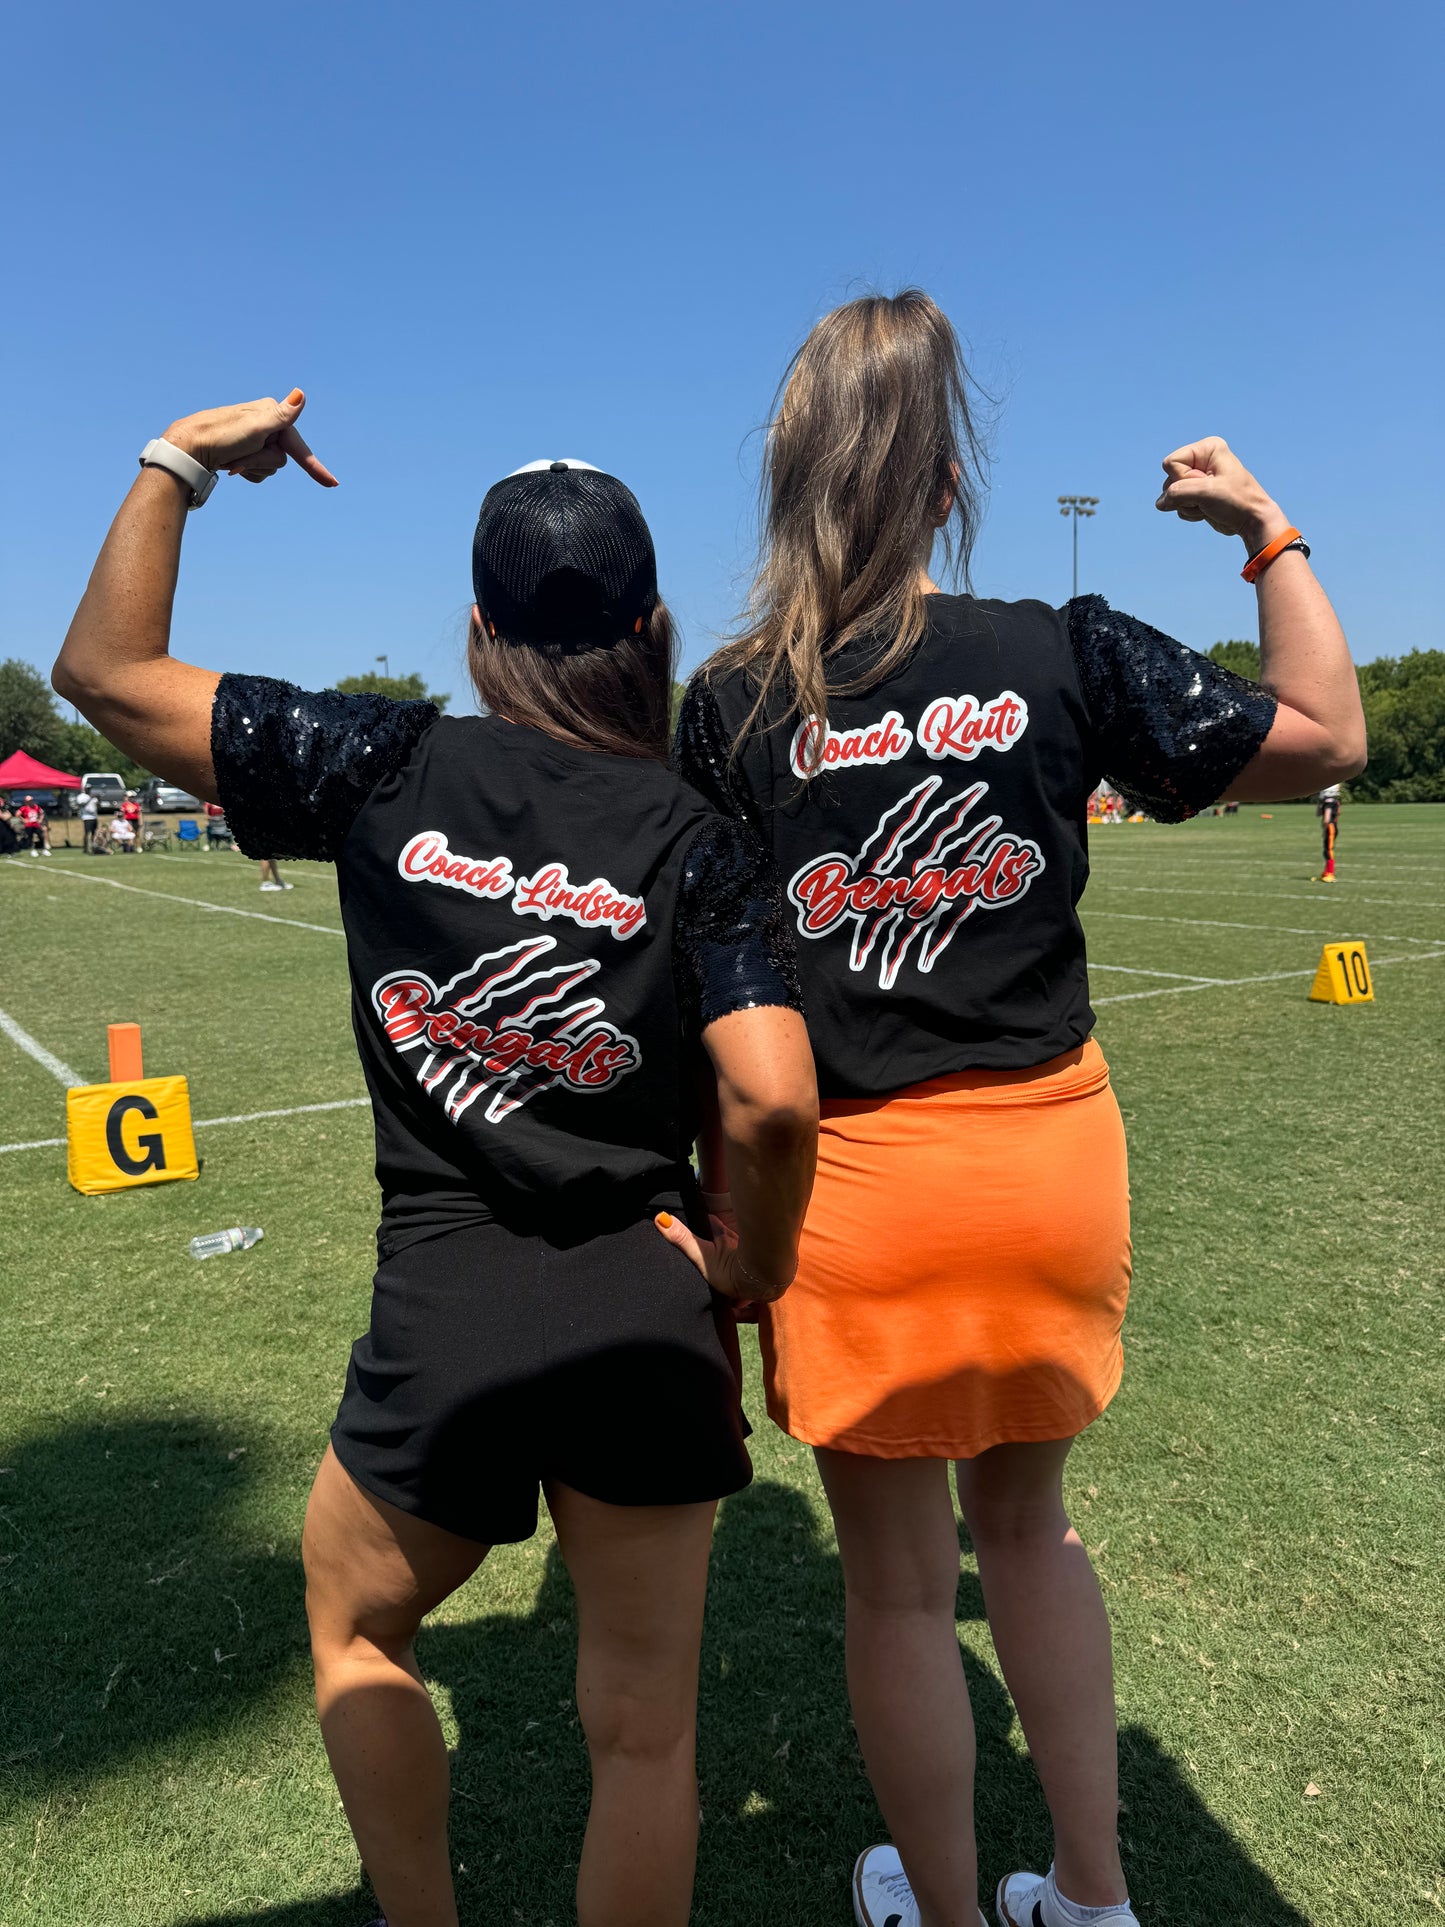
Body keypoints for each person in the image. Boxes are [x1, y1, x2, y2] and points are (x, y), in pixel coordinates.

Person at [52, 390, 818, 1927]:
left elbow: (102, 675)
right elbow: (774, 1097)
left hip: (441, 1307)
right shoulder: (694, 826)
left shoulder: (380, 764)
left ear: (475, 626)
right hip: (646, 1305)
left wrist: (180, 464)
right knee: (648, 1729)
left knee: (359, 1631)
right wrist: (754, 1262)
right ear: (652, 621)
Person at [676, 291, 1366, 1927]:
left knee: (906, 1591)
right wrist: (1272, 533)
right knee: (1033, 1534)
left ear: (791, 476)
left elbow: (710, 1009)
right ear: (946, 480)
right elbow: (1331, 734)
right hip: (1053, 1152)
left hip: (854, 1184)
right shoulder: (1057, 651)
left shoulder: (730, 704)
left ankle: (955, 1908)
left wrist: (716, 1242)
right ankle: (1097, 1891)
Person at [1316, 782, 1341, 879]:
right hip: (1332, 827)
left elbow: (1326, 819)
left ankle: (1330, 873)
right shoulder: (1333, 802)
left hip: (1330, 827)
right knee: (1326, 850)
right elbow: (1318, 814)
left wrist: (1324, 829)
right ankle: (1326, 872)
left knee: (1328, 850)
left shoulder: (1329, 803)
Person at [80, 787, 100, 852]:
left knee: (94, 833)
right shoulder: (83, 797)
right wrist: (90, 799)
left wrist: (99, 798)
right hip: (87, 817)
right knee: (87, 833)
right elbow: (82, 805)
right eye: (87, 789)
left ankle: (93, 846)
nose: (89, 790)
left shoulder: (93, 798)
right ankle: (85, 848)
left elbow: (98, 805)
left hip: (94, 817)